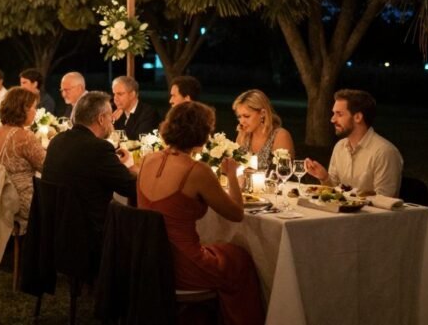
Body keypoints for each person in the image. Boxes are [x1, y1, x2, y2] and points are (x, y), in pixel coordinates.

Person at [137, 101, 264, 325]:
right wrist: (232, 175)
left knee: (222, 249)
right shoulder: (197, 171)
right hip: (183, 268)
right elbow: (237, 214)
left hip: (149, 263)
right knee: (240, 259)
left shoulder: (148, 160)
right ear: (203, 134)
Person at [42, 91, 136, 241]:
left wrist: (115, 164)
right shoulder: (99, 148)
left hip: (54, 228)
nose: (112, 122)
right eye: (110, 117)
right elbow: (130, 188)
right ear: (101, 119)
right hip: (88, 233)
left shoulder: (57, 141)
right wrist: (131, 167)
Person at [304, 89, 403, 197]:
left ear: (358, 117)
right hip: (344, 208)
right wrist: (324, 178)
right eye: (334, 113)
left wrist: (354, 200)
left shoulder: (384, 152)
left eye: (339, 114)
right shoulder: (340, 146)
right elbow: (335, 193)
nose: (332, 119)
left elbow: (385, 200)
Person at [0, 87, 46, 222]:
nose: (36, 111)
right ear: (24, 109)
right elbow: (47, 167)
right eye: (34, 107)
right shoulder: (24, 137)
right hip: (20, 202)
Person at [232, 89, 295, 168]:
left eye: (246, 116)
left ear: (262, 113)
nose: (241, 121)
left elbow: (284, 171)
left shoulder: (280, 136)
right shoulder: (243, 135)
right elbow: (235, 169)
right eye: (239, 117)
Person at [111, 76, 160, 140]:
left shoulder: (148, 113)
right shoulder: (114, 112)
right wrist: (112, 121)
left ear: (132, 94)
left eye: (120, 94)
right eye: (114, 94)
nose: (115, 98)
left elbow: (138, 139)